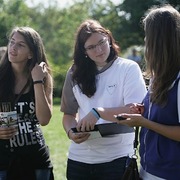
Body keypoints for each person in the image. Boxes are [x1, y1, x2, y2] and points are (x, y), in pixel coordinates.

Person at [60, 19, 147, 180]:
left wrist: (99, 113)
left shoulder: (128, 68)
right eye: (91, 47)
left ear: (109, 39)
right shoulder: (74, 73)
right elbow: (68, 115)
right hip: (78, 161)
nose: (99, 50)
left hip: (117, 159)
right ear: (83, 51)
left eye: (102, 42)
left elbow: (135, 110)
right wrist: (71, 133)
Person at [115, 4, 180, 180]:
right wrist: (143, 111)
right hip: (148, 169)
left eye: (147, 35)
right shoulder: (157, 77)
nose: (145, 41)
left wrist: (144, 122)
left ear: (159, 39)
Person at [0, 27, 54, 180]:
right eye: (12, 42)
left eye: (20, 45)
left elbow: (44, 120)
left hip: (37, 160)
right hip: (4, 161)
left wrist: (37, 81)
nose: (13, 47)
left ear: (31, 53)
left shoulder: (43, 77)